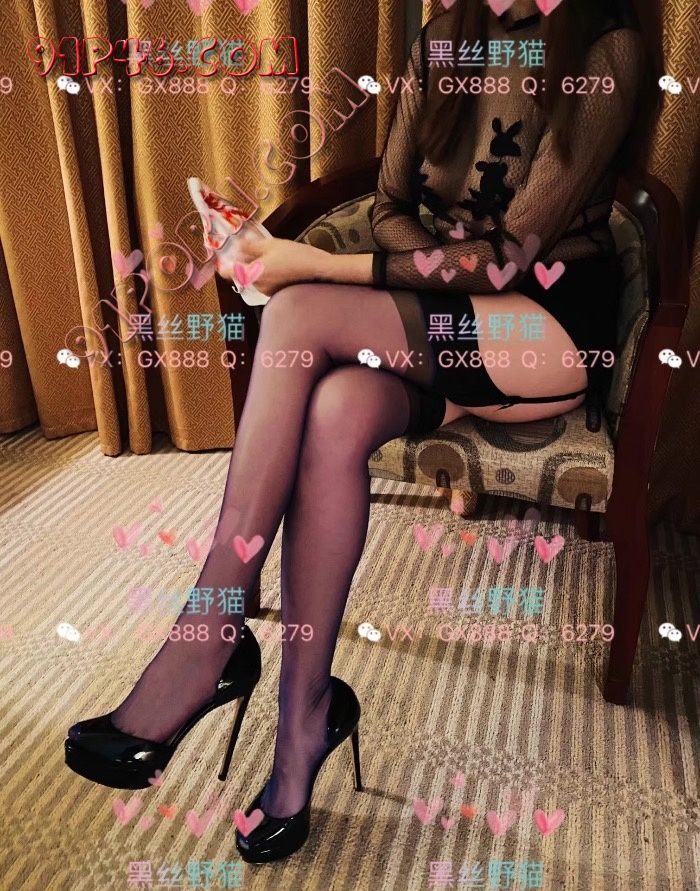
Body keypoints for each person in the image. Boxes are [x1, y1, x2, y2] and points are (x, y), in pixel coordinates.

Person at [65, 0, 661, 864]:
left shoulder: (607, 48)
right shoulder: (445, 36)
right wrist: (424, 280)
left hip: (543, 331)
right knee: (336, 412)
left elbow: (507, 261)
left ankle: (210, 634)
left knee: (298, 308)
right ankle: (304, 718)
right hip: (445, 325)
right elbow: (386, 205)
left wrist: (315, 263)